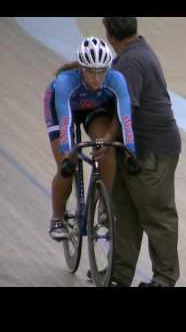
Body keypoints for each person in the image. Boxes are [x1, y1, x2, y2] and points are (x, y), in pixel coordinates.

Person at [102, 17, 182, 287]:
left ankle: (164, 279)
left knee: (157, 216)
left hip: (153, 151)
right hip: (136, 149)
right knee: (124, 212)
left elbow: (126, 110)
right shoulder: (137, 51)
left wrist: (106, 139)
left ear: (109, 35)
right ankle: (119, 274)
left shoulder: (131, 62)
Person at [43, 36, 136, 241]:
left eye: (102, 72)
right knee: (66, 167)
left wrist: (131, 153)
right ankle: (57, 218)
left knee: (106, 145)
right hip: (63, 110)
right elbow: (66, 124)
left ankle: (105, 204)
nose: (97, 79)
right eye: (91, 73)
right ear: (81, 69)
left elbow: (126, 120)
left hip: (92, 108)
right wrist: (68, 155)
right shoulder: (65, 82)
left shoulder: (117, 80)